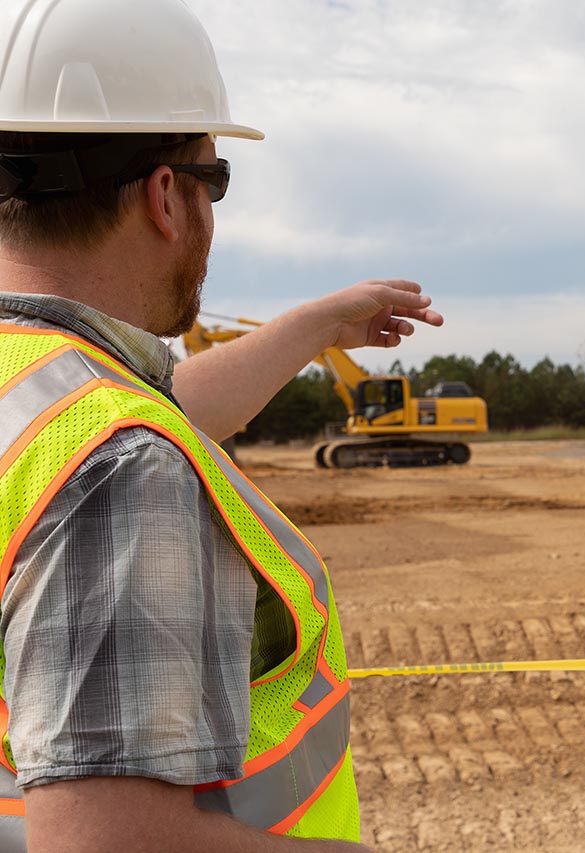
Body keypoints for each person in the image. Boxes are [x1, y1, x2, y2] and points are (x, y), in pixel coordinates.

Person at [0, 1, 443, 849]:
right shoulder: (117, 461)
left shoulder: (34, 390)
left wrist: (315, 325)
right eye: (216, 178)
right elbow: (108, 841)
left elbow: (154, 407)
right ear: (167, 195)